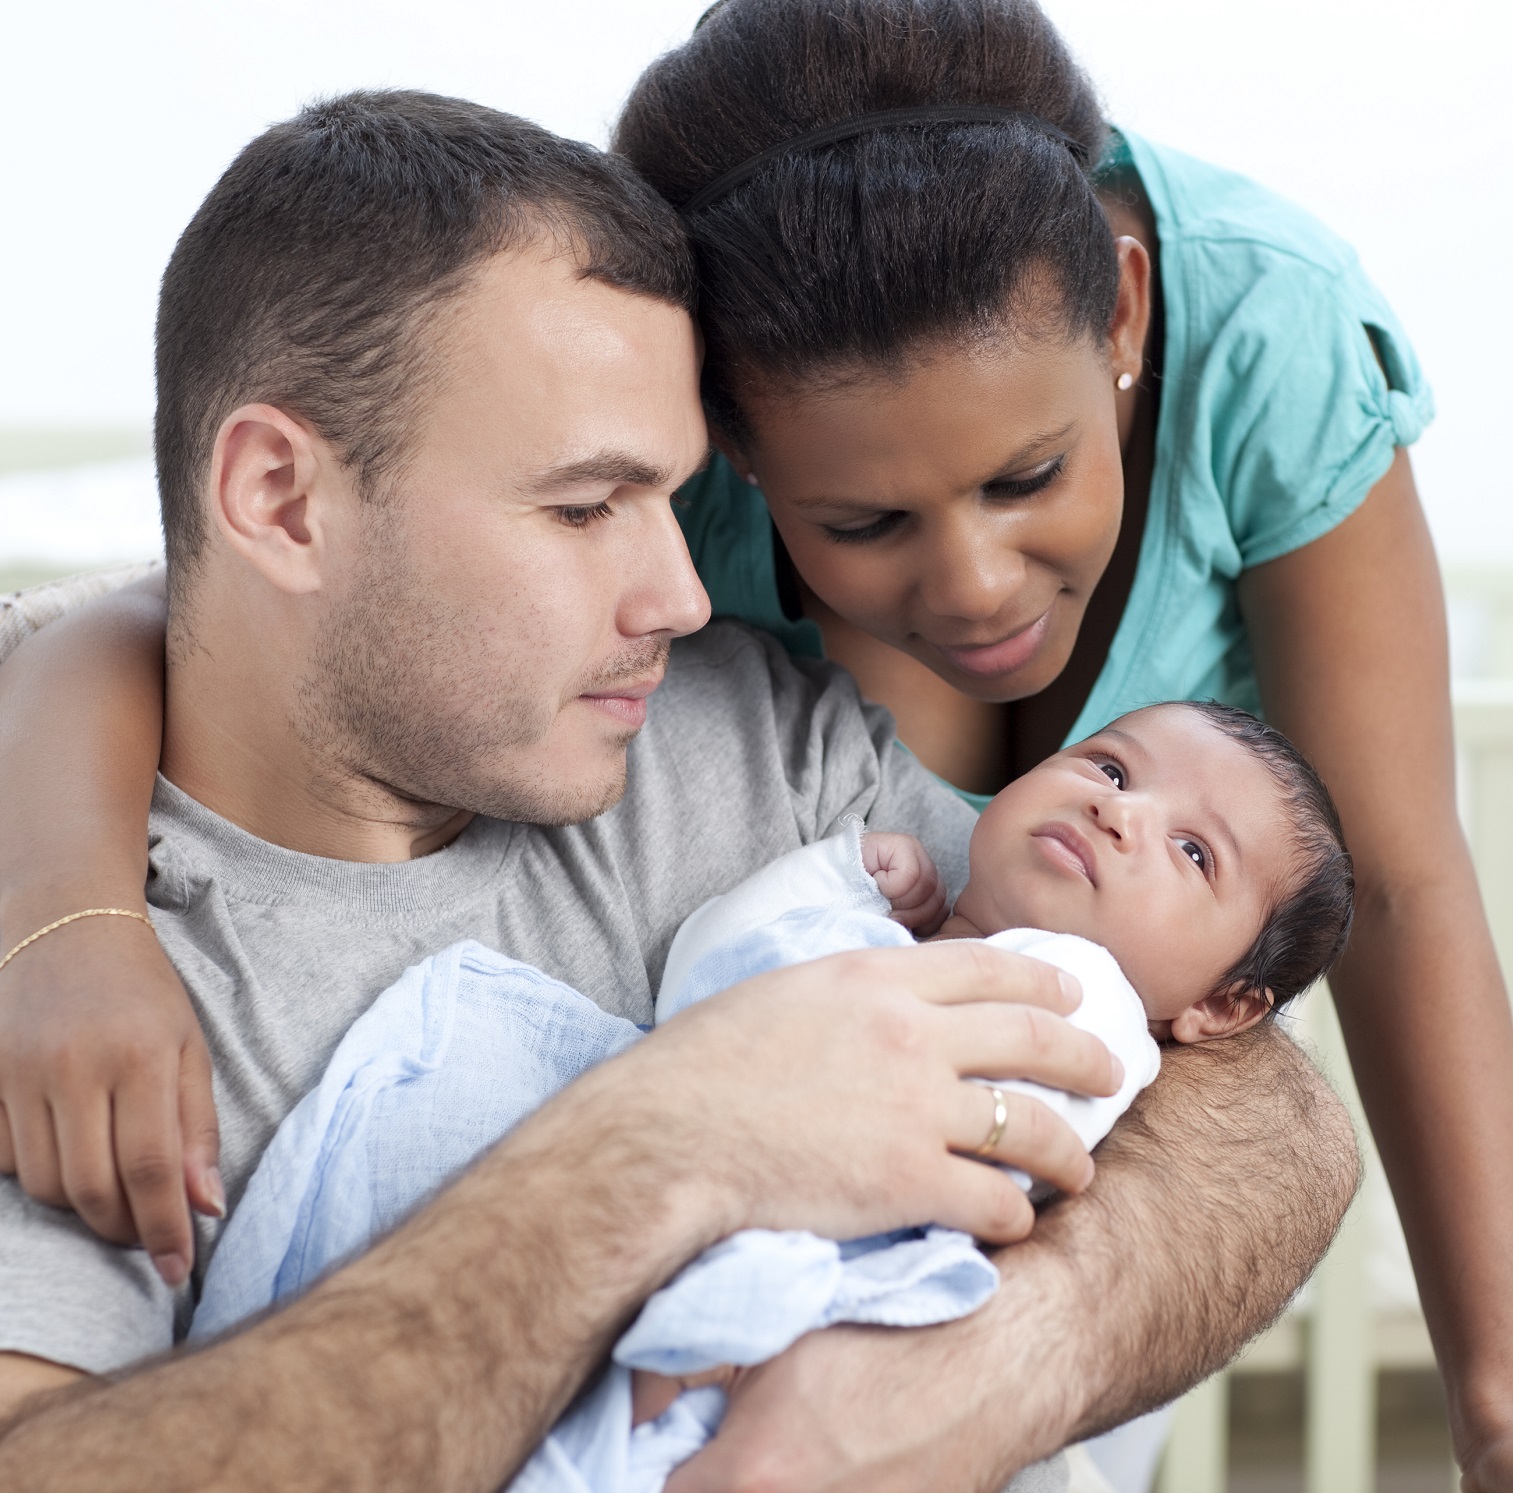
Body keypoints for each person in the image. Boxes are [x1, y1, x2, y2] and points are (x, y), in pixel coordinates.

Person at [0, 92, 1357, 1492]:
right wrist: (667, 1144)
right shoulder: (77, 996)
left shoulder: (756, 741)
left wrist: (991, 1364)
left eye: (678, 500)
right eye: (586, 507)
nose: (687, 596)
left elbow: (1273, 1118)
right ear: (282, 501)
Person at [608, 2, 1513, 1483]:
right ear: (732, 439)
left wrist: (1494, 1407)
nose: (969, 587)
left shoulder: (1265, 333)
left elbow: (1402, 882)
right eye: (862, 524)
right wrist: (86, 914)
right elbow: (169, 617)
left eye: (1029, 474)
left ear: (1124, 318)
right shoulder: (644, 416)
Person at [177, 698, 1354, 1493]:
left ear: (1224, 1008)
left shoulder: (1088, 1008)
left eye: (1194, 853)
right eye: (1108, 764)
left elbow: (860, 1139)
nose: (1119, 809)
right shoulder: (895, 901)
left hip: (812, 1292)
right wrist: (836, 879)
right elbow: (712, 993)